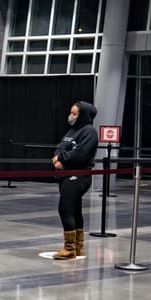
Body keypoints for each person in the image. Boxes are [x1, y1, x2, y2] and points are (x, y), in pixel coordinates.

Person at [49, 100, 99, 260]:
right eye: (71, 113)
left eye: (74, 113)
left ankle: (69, 249)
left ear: (83, 115)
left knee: (65, 209)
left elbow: (81, 153)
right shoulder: (73, 130)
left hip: (78, 176)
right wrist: (57, 157)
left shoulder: (89, 131)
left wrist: (62, 159)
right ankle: (78, 247)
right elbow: (61, 146)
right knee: (75, 210)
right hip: (65, 174)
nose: (71, 116)